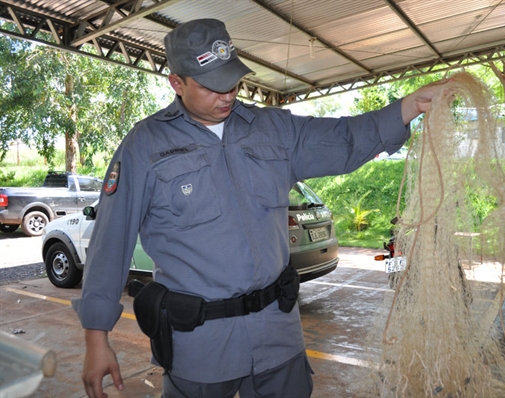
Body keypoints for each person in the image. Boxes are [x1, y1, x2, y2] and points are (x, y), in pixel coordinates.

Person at [72, 18, 451, 398]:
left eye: (233, 82)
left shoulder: (273, 130)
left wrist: (409, 106)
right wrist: (96, 337)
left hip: (277, 333)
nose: (227, 95)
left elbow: (345, 138)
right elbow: (111, 243)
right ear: (177, 83)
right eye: (211, 86)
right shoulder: (145, 146)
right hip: (200, 343)